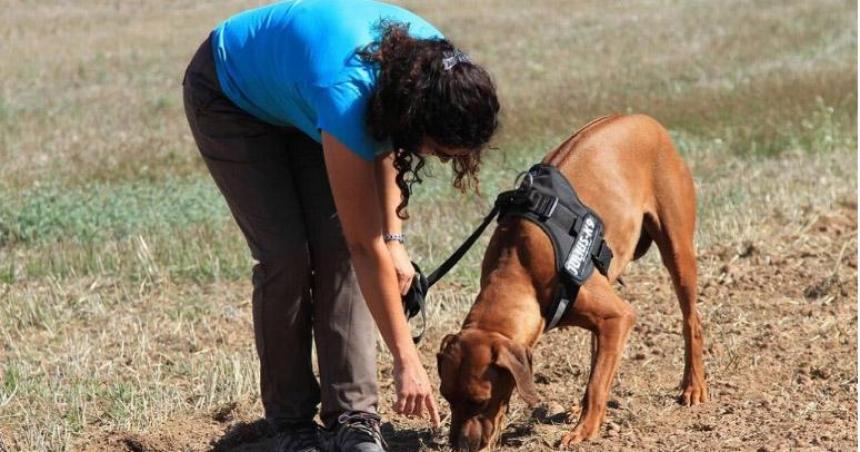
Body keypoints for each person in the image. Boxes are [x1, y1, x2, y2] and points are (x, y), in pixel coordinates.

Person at [182, 1, 499, 451]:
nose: (438, 159)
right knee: (287, 256)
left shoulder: (427, 67)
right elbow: (363, 243)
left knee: (337, 254)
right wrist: (406, 358)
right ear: (418, 119)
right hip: (231, 96)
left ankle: (353, 418)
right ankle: (289, 425)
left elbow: (387, 141)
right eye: (439, 150)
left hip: (301, 91)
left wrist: (396, 240)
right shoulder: (347, 91)